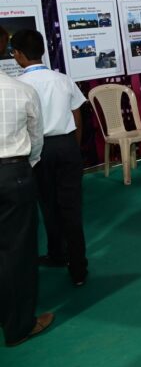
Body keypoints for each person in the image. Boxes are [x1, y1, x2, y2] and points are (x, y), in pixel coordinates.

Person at [12, 30, 88, 286]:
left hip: (38, 149)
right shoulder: (63, 79)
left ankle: (57, 254)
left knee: (48, 205)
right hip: (67, 145)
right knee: (72, 208)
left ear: (18, 55)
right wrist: (74, 146)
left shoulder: (20, 85)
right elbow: (77, 114)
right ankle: (79, 268)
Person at [0, 66, 53, 346]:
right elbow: (36, 138)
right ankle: (19, 326)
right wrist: (25, 166)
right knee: (18, 251)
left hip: (14, 171)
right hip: (13, 172)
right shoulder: (21, 90)